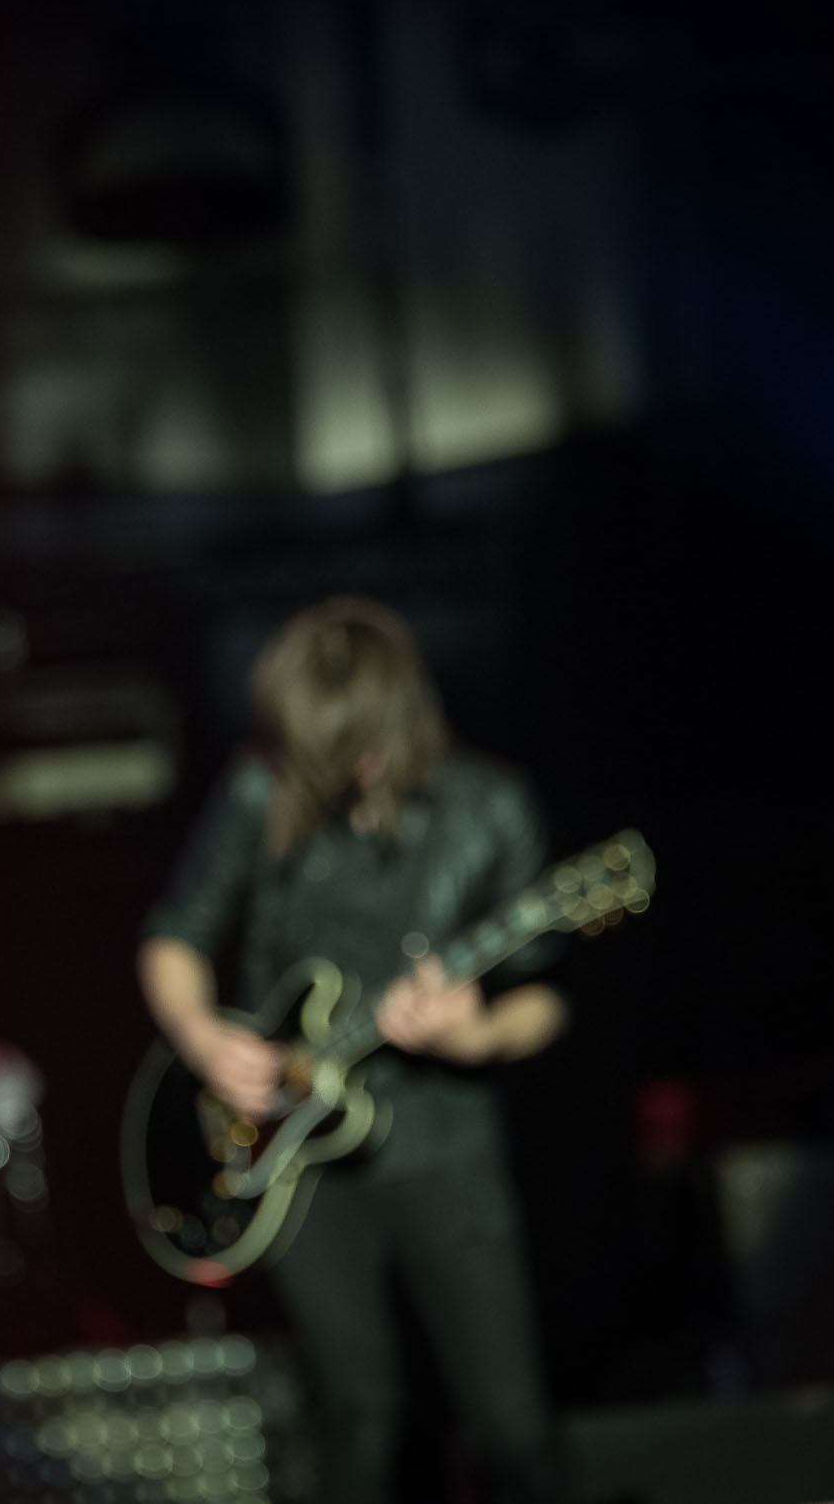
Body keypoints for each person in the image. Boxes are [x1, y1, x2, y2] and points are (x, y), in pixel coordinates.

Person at [138, 597, 568, 1504]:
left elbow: (546, 999)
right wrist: (207, 1037)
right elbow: (174, 936)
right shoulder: (261, 791)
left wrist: (477, 1031)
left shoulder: (490, 808)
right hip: (296, 1159)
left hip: (447, 1145)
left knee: (512, 1429)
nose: (332, 768)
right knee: (359, 1412)